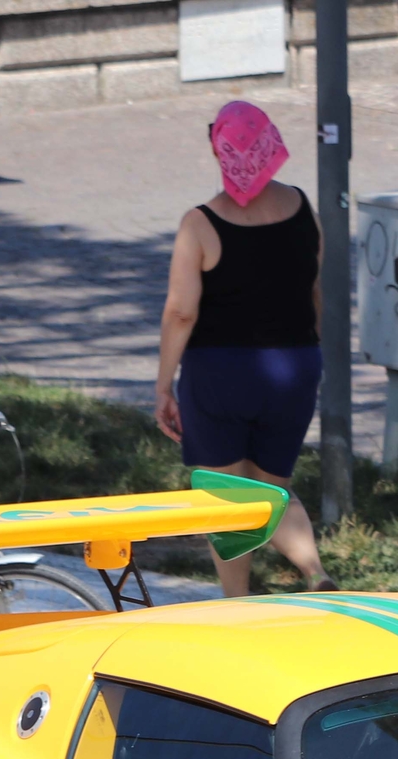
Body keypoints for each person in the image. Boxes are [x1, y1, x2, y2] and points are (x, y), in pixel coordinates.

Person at [154, 101, 336, 595]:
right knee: (272, 488)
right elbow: (314, 289)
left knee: (228, 494)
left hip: (221, 371)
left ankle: (236, 602)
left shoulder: (200, 224)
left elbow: (181, 312)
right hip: (295, 366)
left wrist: (163, 384)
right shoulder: (302, 209)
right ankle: (315, 571)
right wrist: (309, 348)